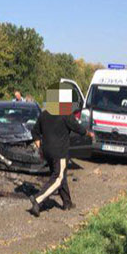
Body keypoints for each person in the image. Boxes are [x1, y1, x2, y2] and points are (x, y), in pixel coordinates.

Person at [29, 83, 95, 217]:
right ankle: (38, 199)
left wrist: (40, 149)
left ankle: (67, 202)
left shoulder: (44, 114)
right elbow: (79, 128)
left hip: (47, 151)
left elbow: (35, 132)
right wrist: (89, 133)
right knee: (58, 178)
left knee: (61, 175)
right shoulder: (66, 114)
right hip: (59, 152)